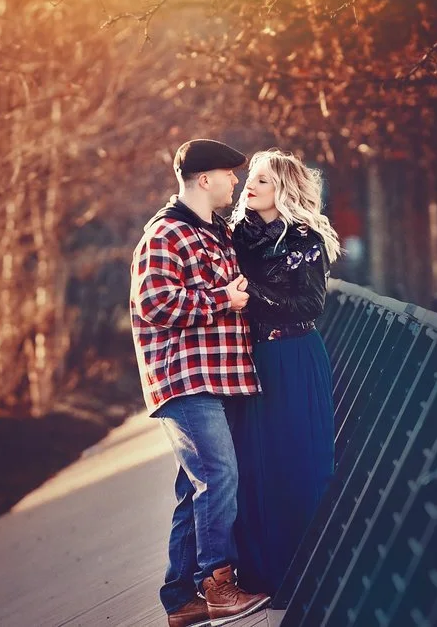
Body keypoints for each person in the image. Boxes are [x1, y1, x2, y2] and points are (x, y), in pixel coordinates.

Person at [130, 139, 272, 627]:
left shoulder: (214, 234)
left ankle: (179, 599)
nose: (236, 181)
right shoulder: (165, 234)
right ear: (204, 179)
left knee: (197, 488)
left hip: (219, 377)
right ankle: (217, 584)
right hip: (186, 378)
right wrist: (221, 300)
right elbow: (156, 302)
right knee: (218, 477)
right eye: (230, 175)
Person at [227, 149, 341, 598]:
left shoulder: (305, 238)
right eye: (250, 178)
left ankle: (310, 572)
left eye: (262, 181)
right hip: (248, 360)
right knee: (253, 466)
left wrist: (250, 296)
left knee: (300, 462)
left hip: (294, 355)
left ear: (284, 191)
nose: (249, 186)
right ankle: (262, 576)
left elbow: (311, 305)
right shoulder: (233, 235)